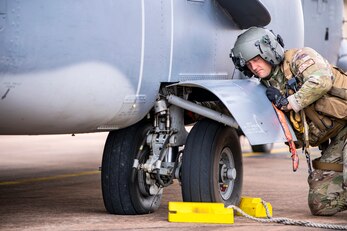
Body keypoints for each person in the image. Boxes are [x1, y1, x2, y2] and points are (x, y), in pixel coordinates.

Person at [230, 27, 347, 216]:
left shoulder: (300, 58)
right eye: (249, 64)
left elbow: (322, 80)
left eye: (256, 59)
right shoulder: (267, 86)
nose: (253, 67)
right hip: (339, 137)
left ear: (268, 52)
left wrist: (289, 103)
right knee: (321, 202)